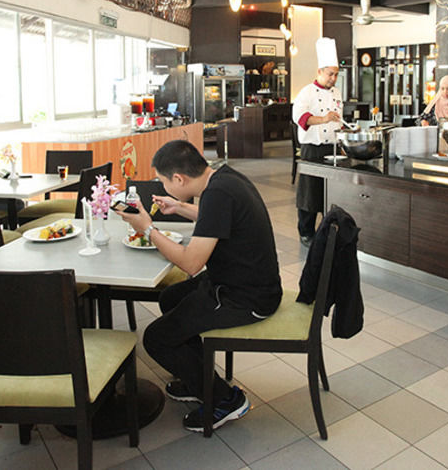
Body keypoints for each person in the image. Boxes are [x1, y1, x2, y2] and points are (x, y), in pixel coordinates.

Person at [115, 139, 281, 432]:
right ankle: (198, 378)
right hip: (240, 280)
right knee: (170, 298)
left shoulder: (217, 195)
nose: (163, 186)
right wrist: (179, 206)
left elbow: (191, 264)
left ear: (179, 179)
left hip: (246, 297)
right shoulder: (224, 179)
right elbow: (218, 219)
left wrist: (147, 229)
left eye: (164, 181)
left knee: (156, 338)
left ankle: (226, 399)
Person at [292, 37, 342, 245]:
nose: (333, 78)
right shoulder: (307, 92)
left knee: (328, 191)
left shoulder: (337, 93)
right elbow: (300, 117)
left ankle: (326, 231)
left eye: (336, 74)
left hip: (332, 148)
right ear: (320, 71)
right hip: (312, 148)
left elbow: (337, 118)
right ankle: (305, 232)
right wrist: (323, 119)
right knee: (309, 193)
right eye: (330, 74)